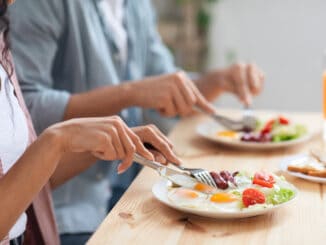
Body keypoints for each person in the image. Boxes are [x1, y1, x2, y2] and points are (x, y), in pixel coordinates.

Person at [8, 0, 265, 243]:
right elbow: (25, 107)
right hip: (70, 215)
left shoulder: (135, 4)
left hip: (136, 192)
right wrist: (129, 93)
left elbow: (164, 87)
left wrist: (216, 81)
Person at [0, 1, 180, 244]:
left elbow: (29, 178)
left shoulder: (3, 46)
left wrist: (104, 143)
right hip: (69, 216)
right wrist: (57, 140)